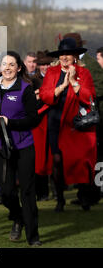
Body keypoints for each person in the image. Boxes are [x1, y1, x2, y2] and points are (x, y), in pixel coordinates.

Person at [0, 51, 41, 247]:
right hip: (0, 147)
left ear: (18, 68)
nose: (7, 68)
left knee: (27, 192)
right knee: (6, 192)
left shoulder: (25, 88)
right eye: (4, 64)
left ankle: (33, 237)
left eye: (11, 64)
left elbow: (34, 119)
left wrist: (10, 122)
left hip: (24, 146)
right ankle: (18, 218)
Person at [39, 37, 97, 212]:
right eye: (62, 54)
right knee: (57, 160)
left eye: (68, 54)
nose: (64, 57)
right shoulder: (52, 72)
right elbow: (45, 95)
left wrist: (73, 82)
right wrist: (63, 85)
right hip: (55, 122)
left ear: (75, 56)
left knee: (80, 161)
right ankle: (60, 199)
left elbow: (89, 97)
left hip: (76, 124)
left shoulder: (84, 73)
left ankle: (84, 197)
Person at [63, 33, 103, 206]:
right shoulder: (71, 64)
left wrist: (82, 93)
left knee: (94, 157)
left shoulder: (91, 64)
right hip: (77, 119)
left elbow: (100, 88)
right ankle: (83, 193)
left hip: (92, 118)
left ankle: (92, 194)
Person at [31, 51, 55, 201]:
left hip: (55, 120)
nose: (45, 67)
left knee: (55, 157)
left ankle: (57, 192)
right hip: (39, 123)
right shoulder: (32, 80)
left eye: (47, 64)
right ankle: (42, 192)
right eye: (42, 64)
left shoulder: (57, 78)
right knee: (39, 157)